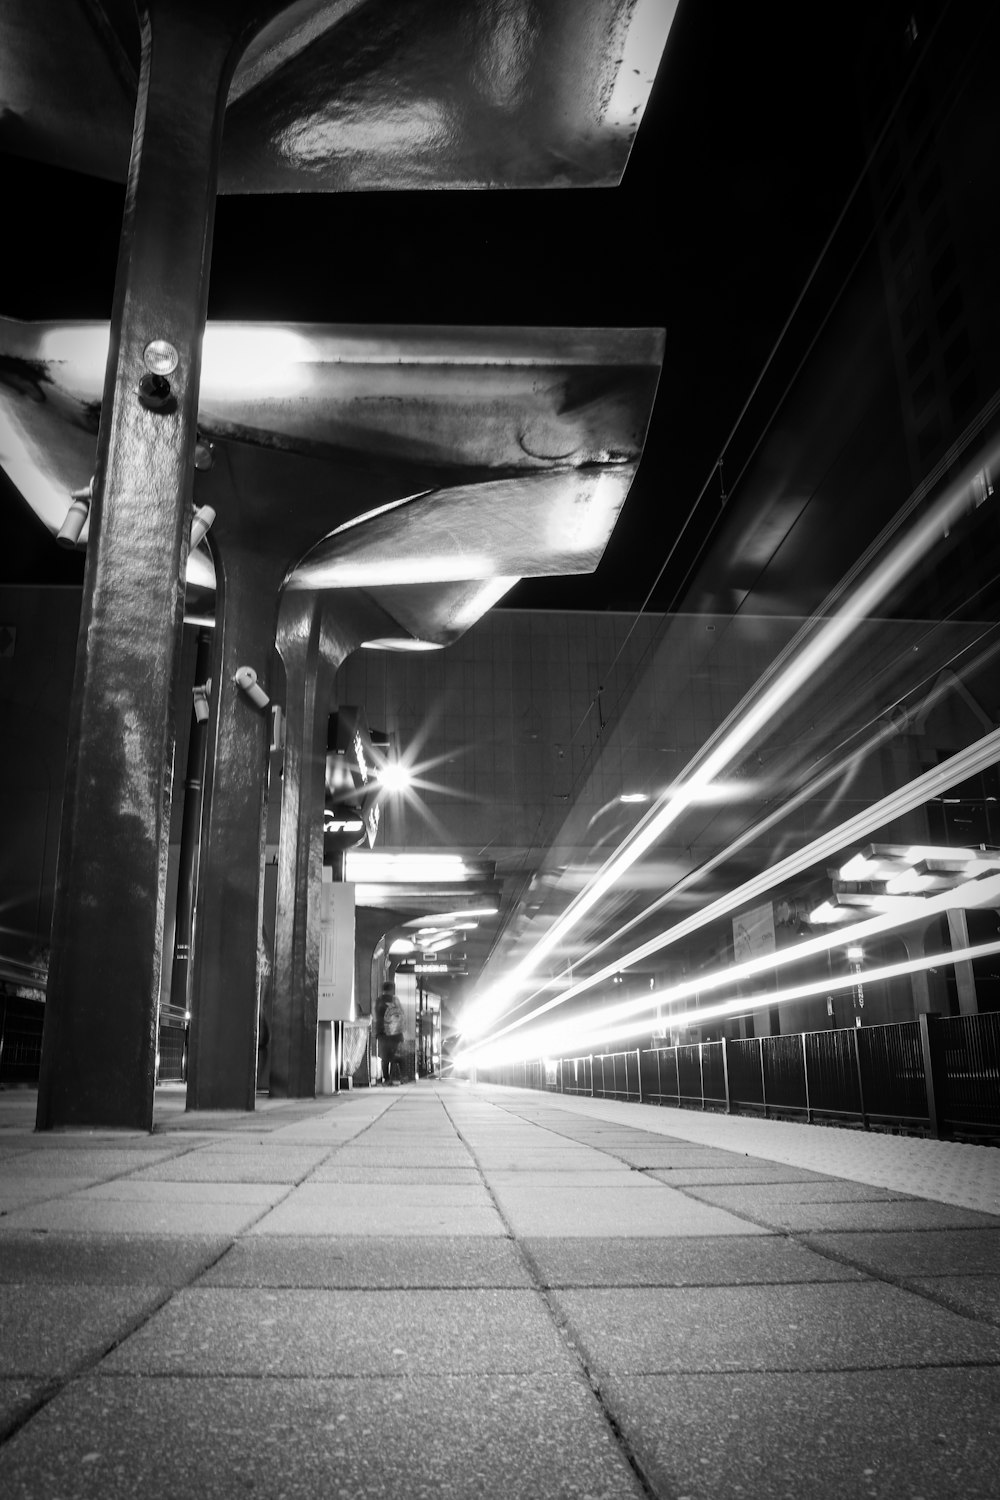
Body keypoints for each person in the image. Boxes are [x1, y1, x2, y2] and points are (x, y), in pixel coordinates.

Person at [377, 983, 405, 1085]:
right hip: (395, 1034)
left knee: (384, 1058)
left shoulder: (379, 1000)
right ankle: (398, 1078)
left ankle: (387, 1079)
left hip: (383, 1033)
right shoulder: (395, 1000)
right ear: (392, 989)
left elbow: (376, 1017)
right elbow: (401, 1015)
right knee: (396, 1056)